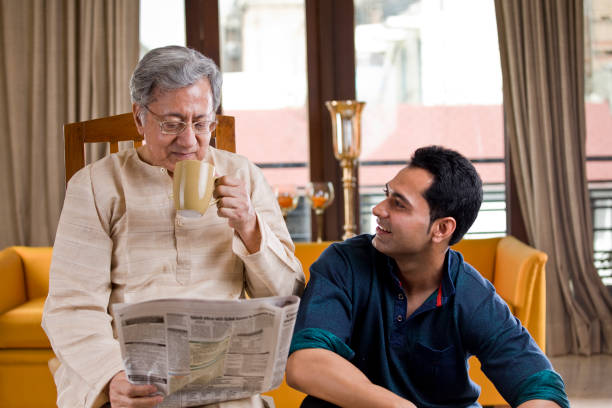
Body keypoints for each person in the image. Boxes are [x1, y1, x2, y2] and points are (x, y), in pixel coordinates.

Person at [42, 45, 304, 408]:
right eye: (172, 124)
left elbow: (286, 294)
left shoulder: (243, 176)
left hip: (223, 376)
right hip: (132, 375)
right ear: (139, 118)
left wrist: (250, 226)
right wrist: (112, 376)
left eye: (201, 124)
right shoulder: (95, 185)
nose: (189, 141)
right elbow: (71, 307)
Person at [286, 146, 569, 408]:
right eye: (387, 194)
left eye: (399, 204)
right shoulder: (343, 264)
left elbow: (541, 387)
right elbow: (305, 363)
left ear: (442, 229)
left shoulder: (472, 294)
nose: (378, 209)